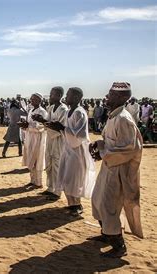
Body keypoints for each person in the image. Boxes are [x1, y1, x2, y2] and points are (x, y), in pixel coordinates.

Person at [89, 82, 143, 258]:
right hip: (109, 167)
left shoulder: (124, 119)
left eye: (111, 94)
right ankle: (106, 234)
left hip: (119, 170)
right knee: (97, 199)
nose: (107, 96)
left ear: (123, 98)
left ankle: (119, 246)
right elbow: (109, 140)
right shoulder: (113, 116)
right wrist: (98, 145)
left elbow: (129, 149)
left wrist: (103, 153)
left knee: (109, 206)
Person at [47, 87, 96, 216]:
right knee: (65, 176)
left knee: (74, 178)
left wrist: (62, 128)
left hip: (77, 151)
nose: (65, 97)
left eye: (68, 95)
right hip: (68, 148)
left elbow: (79, 136)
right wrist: (57, 128)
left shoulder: (79, 113)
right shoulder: (70, 111)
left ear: (75, 98)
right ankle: (71, 204)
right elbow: (67, 131)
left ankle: (77, 205)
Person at [34, 87, 68, 200]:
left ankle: (57, 191)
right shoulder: (51, 107)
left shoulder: (63, 109)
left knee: (57, 164)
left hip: (58, 140)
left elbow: (61, 127)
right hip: (50, 138)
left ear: (59, 96)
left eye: (52, 94)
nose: (50, 96)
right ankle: (50, 187)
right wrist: (41, 120)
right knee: (49, 163)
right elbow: (48, 123)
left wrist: (46, 122)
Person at [19, 93, 48, 189]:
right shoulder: (31, 110)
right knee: (30, 159)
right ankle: (32, 180)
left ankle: (38, 182)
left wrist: (28, 127)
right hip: (29, 137)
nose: (32, 101)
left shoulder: (43, 112)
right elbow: (29, 124)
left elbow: (42, 127)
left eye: (34, 99)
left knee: (37, 160)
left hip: (38, 139)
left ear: (40, 101)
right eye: (31, 99)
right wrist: (24, 125)